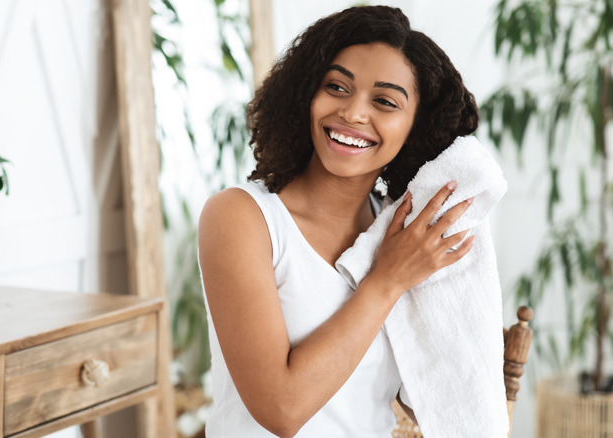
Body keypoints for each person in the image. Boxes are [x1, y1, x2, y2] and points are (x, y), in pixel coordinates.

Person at [198, 5, 479, 437]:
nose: (352, 113)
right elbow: (281, 409)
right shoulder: (241, 217)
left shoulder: (398, 232)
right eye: (337, 87)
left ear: (415, 128)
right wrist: (387, 280)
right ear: (306, 92)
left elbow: (435, 399)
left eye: (384, 101)